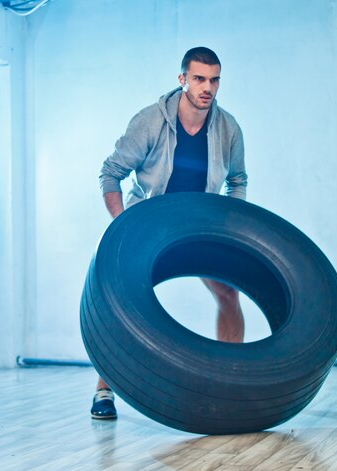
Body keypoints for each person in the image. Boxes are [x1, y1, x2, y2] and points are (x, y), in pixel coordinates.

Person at [92, 47, 248, 419]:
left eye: (214, 80)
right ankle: (103, 390)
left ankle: (227, 383)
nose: (207, 87)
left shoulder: (229, 128)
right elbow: (110, 173)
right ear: (183, 80)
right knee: (120, 300)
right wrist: (121, 225)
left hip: (199, 226)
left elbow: (238, 179)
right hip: (147, 224)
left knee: (228, 291)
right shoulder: (149, 121)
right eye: (199, 78)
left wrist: (227, 221)